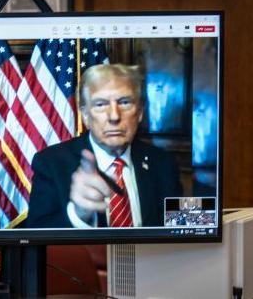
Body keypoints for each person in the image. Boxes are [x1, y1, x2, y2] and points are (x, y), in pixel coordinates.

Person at [26, 64, 183, 228]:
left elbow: (182, 230)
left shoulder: (163, 163)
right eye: (100, 104)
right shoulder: (51, 163)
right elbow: (37, 240)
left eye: (124, 102)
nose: (114, 116)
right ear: (85, 115)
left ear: (140, 112)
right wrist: (79, 215)